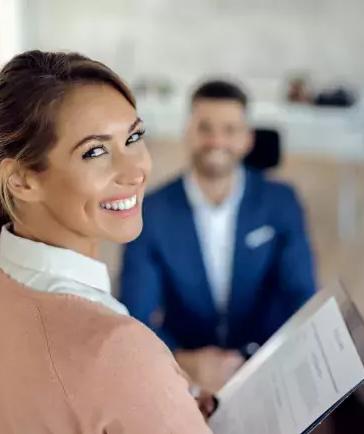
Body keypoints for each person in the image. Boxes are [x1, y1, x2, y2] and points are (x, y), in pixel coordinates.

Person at [0, 50, 232, 434]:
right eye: (94, 152)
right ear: (21, 179)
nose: (135, 170)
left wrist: (158, 410)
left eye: (134, 138)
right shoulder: (118, 348)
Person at [119, 80, 316, 393]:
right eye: (205, 128)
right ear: (187, 133)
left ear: (248, 139)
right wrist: (184, 361)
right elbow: (134, 314)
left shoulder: (281, 202)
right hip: (182, 375)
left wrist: (261, 357)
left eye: (230, 130)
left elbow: (302, 296)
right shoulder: (151, 212)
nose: (217, 141)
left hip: (267, 365)